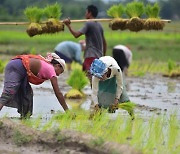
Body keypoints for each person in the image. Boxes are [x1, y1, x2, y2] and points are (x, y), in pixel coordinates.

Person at [0, 53, 69, 118]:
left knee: (27, 95)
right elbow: (58, 93)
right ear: (57, 66)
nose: (58, 75)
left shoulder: (47, 66)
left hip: (22, 71)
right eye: (60, 71)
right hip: (16, 67)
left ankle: (24, 118)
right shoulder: (51, 69)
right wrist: (67, 111)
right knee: (9, 92)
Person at [63, 5, 107, 80]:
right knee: (96, 79)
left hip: (90, 55)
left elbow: (76, 35)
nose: (85, 14)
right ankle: (95, 91)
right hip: (99, 57)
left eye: (86, 12)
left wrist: (68, 25)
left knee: (91, 78)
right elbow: (105, 43)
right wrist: (103, 57)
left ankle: (94, 91)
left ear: (90, 13)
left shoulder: (88, 23)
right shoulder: (99, 25)